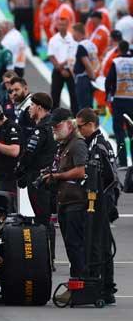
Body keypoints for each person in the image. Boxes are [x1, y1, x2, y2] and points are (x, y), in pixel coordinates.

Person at [75, 108, 119, 305]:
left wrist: (100, 199)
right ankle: (103, 285)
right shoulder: (91, 142)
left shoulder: (100, 144)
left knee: (100, 246)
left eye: (80, 126)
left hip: (101, 202)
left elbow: (110, 178)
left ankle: (105, 287)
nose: (78, 130)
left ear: (90, 125)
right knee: (98, 244)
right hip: (97, 201)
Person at [46, 107, 88, 282]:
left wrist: (57, 176)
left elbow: (81, 171)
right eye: (52, 126)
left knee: (75, 244)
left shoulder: (77, 144)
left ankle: (81, 281)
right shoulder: (63, 145)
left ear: (69, 125)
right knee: (71, 245)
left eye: (57, 125)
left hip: (76, 202)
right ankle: (77, 280)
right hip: (65, 201)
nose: (54, 128)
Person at [18, 92, 57, 267]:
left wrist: (20, 170)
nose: (30, 109)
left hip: (39, 179)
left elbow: (29, 154)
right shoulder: (52, 126)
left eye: (32, 106)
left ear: (39, 107)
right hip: (50, 177)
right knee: (46, 218)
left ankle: (46, 259)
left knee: (42, 220)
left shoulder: (42, 129)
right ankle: (50, 257)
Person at [106, 41, 133, 167]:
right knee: (132, 131)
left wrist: (108, 95)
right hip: (132, 100)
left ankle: (122, 162)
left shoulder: (116, 62)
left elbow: (108, 81)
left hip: (119, 100)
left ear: (119, 50)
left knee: (119, 132)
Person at [48, 16, 78, 109]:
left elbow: (74, 55)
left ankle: (75, 116)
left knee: (74, 95)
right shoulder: (53, 39)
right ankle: (54, 117)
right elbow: (51, 56)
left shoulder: (73, 39)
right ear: (57, 25)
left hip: (71, 70)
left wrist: (63, 65)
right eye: (60, 25)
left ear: (67, 25)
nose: (62, 27)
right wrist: (60, 69)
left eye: (64, 25)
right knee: (55, 95)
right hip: (58, 70)